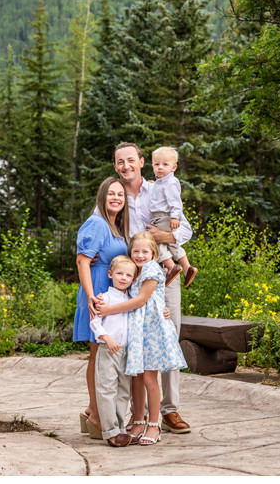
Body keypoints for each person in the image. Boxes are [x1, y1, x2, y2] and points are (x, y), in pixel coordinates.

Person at [113, 142, 192, 434]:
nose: (126, 166)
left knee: (169, 337)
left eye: (131, 160)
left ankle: (170, 410)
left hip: (163, 275)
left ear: (142, 162)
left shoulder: (158, 188)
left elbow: (186, 229)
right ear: (115, 166)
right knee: (137, 343)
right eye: (120, 162)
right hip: (132, 280)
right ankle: (141, 413)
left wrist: (164, 234)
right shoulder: (116, 195)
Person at [95, 231, 188, 446]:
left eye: (145, 251)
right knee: (136, 377)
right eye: (135, 251)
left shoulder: (152, 269)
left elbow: (140, 300)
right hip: (137, 332)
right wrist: (104, 300)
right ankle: (138, 420)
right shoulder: (135, 271)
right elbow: (126, 295)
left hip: (152, 332)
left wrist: (108, 309)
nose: (139, 254)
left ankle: (154, 425)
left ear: (154, 254)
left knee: (148, 378)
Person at [73, 177, 130, 439]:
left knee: (99, 356)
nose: (116, 198)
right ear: (102, 196)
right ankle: (96, 415)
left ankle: (91, 411)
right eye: (111, 194)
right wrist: (90, 297)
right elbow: (82, 261)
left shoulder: (115, 226)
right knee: (98, 356)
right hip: (96, 294)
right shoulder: (97, 223)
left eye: (120, 194)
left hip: (109, 296)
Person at [89, 255, 137, 447]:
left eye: (128, 275)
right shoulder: (104, 298)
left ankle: (120, 429)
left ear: (134, 279)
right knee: (107, 389)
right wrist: (106, 337)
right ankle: (110, 431)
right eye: (119, 273)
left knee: (124, 390)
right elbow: (94, 321)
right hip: (108, 349)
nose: (123, 278)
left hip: (126, 351)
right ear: (110, 274)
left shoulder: (132, 300)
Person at [149, 146, 197, 288]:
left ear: (173, 167)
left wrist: (175, 217)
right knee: (171, 243)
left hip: (164, 217)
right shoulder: (161, 182)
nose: (160, 167)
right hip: (164, 217)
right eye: (156, 164)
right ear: (152, 166)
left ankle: (171, 267)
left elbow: (175, 201)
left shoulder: (170, 182)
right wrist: (153, 185)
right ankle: (187, 267)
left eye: (165, 164)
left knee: (155, 241)